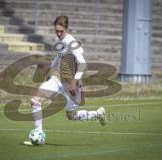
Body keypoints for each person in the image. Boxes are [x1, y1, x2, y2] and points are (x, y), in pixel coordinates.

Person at [24, 15, 107, 145]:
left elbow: (83, 63)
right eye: (56, 31)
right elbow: (58, 57)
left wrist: (74, 82)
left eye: (61, 31)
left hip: (71, 85)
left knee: (71, 116)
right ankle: (39, 133)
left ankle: (97, 114)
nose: (58, 33)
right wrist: (49, 70)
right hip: (57, 79)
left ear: (66, 29)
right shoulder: (59, 41)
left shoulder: (72, 43)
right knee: (35, 100)